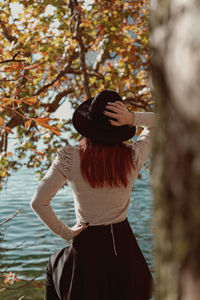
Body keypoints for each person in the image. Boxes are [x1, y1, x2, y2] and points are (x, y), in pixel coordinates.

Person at [30, 90, 156, 300]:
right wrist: (132, 117)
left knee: (54, 265)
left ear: (87, 125)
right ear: (120, 128)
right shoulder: (133, 157)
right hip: (123, 248)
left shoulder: (68, 157)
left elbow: (38, 202)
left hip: (87, 247)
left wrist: (67, 233)